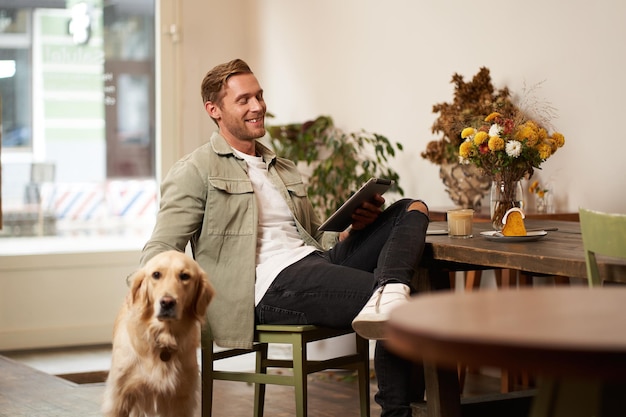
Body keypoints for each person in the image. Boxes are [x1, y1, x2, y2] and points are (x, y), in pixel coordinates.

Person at [141, 58, 430, 417]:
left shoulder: (281, 167)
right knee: (409, 309)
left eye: (259, 96)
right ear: (213, 110)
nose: (258, 106)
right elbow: (159, 249)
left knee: (410, 208)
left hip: (312, 263)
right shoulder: (196, 170)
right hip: (265, 287)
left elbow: (311, 239)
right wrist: (155, 301)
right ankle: (399, 409)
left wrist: (352, 230)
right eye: (244, 99)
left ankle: (391, 289)